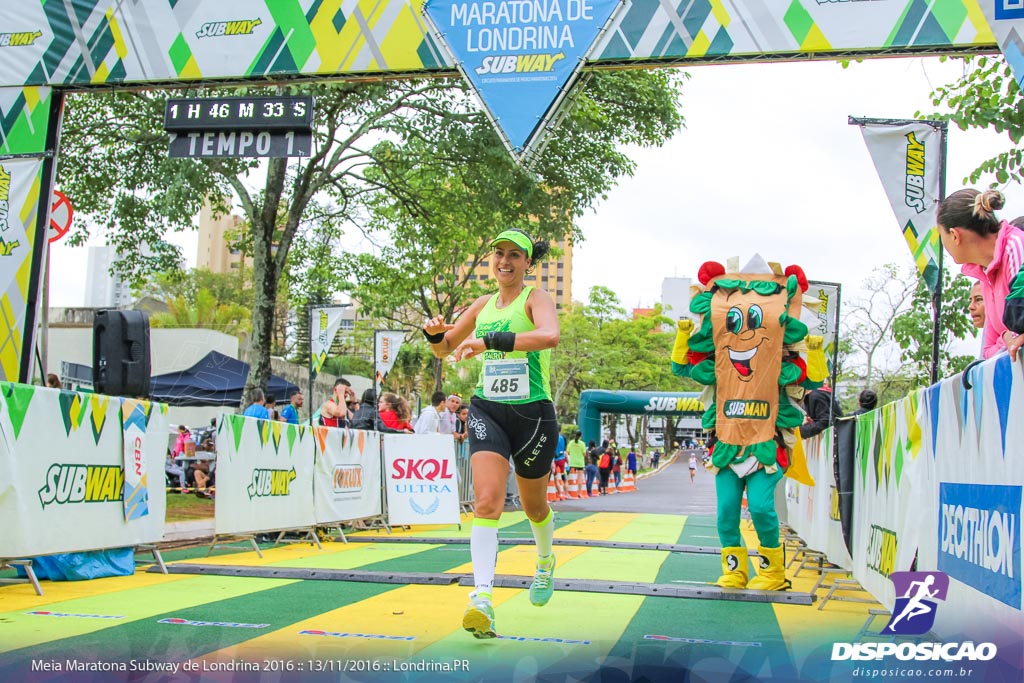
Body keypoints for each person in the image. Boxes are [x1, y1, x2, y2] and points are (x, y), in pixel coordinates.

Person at [422, 227, 559, 639]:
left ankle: (545, 560)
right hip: (487, 409)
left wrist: (491, 341)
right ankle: (482, 599)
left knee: (535, 507)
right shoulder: (481, 304)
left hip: (533, 414)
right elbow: (444, 349)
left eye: (514, 255)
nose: (504, 261)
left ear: (527, 263)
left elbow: (549, 336)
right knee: (486, 501)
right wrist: (433, 334)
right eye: (498, 253)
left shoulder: (535, 298)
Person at [937, 188, 1024, 361]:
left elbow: (1019, 325)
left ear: (954, 235)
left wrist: (1009, 337)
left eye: (941, 235)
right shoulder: (985, 277)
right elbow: (988, 351)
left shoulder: (1016, 247)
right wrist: (1007, 337)